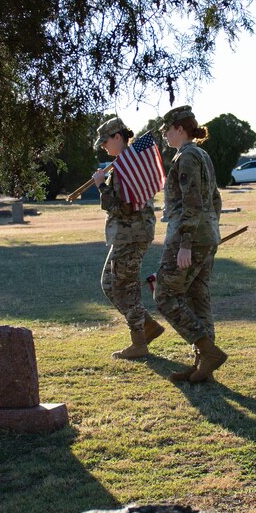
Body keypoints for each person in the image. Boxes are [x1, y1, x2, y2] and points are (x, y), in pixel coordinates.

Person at [153, 105, 226, 384]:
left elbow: (192, 201)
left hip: (191, 239)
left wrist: (185, 242)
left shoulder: (186, 157)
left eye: (167, 131)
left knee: (165, 295)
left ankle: (208, 352)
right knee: (197, 296)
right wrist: (211, 229)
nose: (165, 136)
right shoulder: (202, 155)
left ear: (179, 129)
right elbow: (215, 199)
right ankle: (202, 365)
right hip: (206, 235)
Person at [90, 116, 167, 359]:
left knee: (126, 288)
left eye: (105, 141)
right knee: (110, 284)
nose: (104, 146)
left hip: (131, 235)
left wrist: (101, 186)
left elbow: (124, 207)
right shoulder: (122, 165)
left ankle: (139, 342)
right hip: (126, 235)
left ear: (118, 137)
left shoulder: (126, 167)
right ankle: (147, 326)